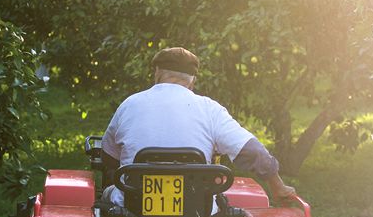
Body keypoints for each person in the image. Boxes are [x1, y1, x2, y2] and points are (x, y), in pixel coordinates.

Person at [100, 46, 296, 205]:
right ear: (192, 81)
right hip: (197, 210)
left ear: (157, 73)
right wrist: (277, 186)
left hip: (132, 206)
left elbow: (108, 157)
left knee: (107, 195)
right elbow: (251, 150)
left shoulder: (129, 104)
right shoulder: (210, 110)